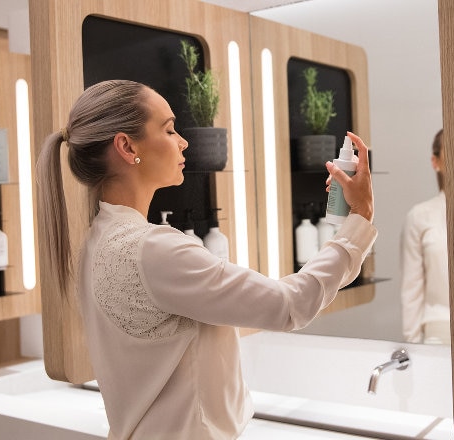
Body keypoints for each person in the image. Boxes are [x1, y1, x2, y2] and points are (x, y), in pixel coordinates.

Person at [35, 79, 377, 440]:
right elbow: (288, 305)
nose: (183, 141)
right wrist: (359, 218)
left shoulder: (95, 242)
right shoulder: (153, 250)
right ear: (126, 145)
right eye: (169, 129)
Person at [399, 129, 450, 345]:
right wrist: (413, 346)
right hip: (438, 335)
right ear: (435, 161)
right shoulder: (419, 217)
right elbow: (411, 288)